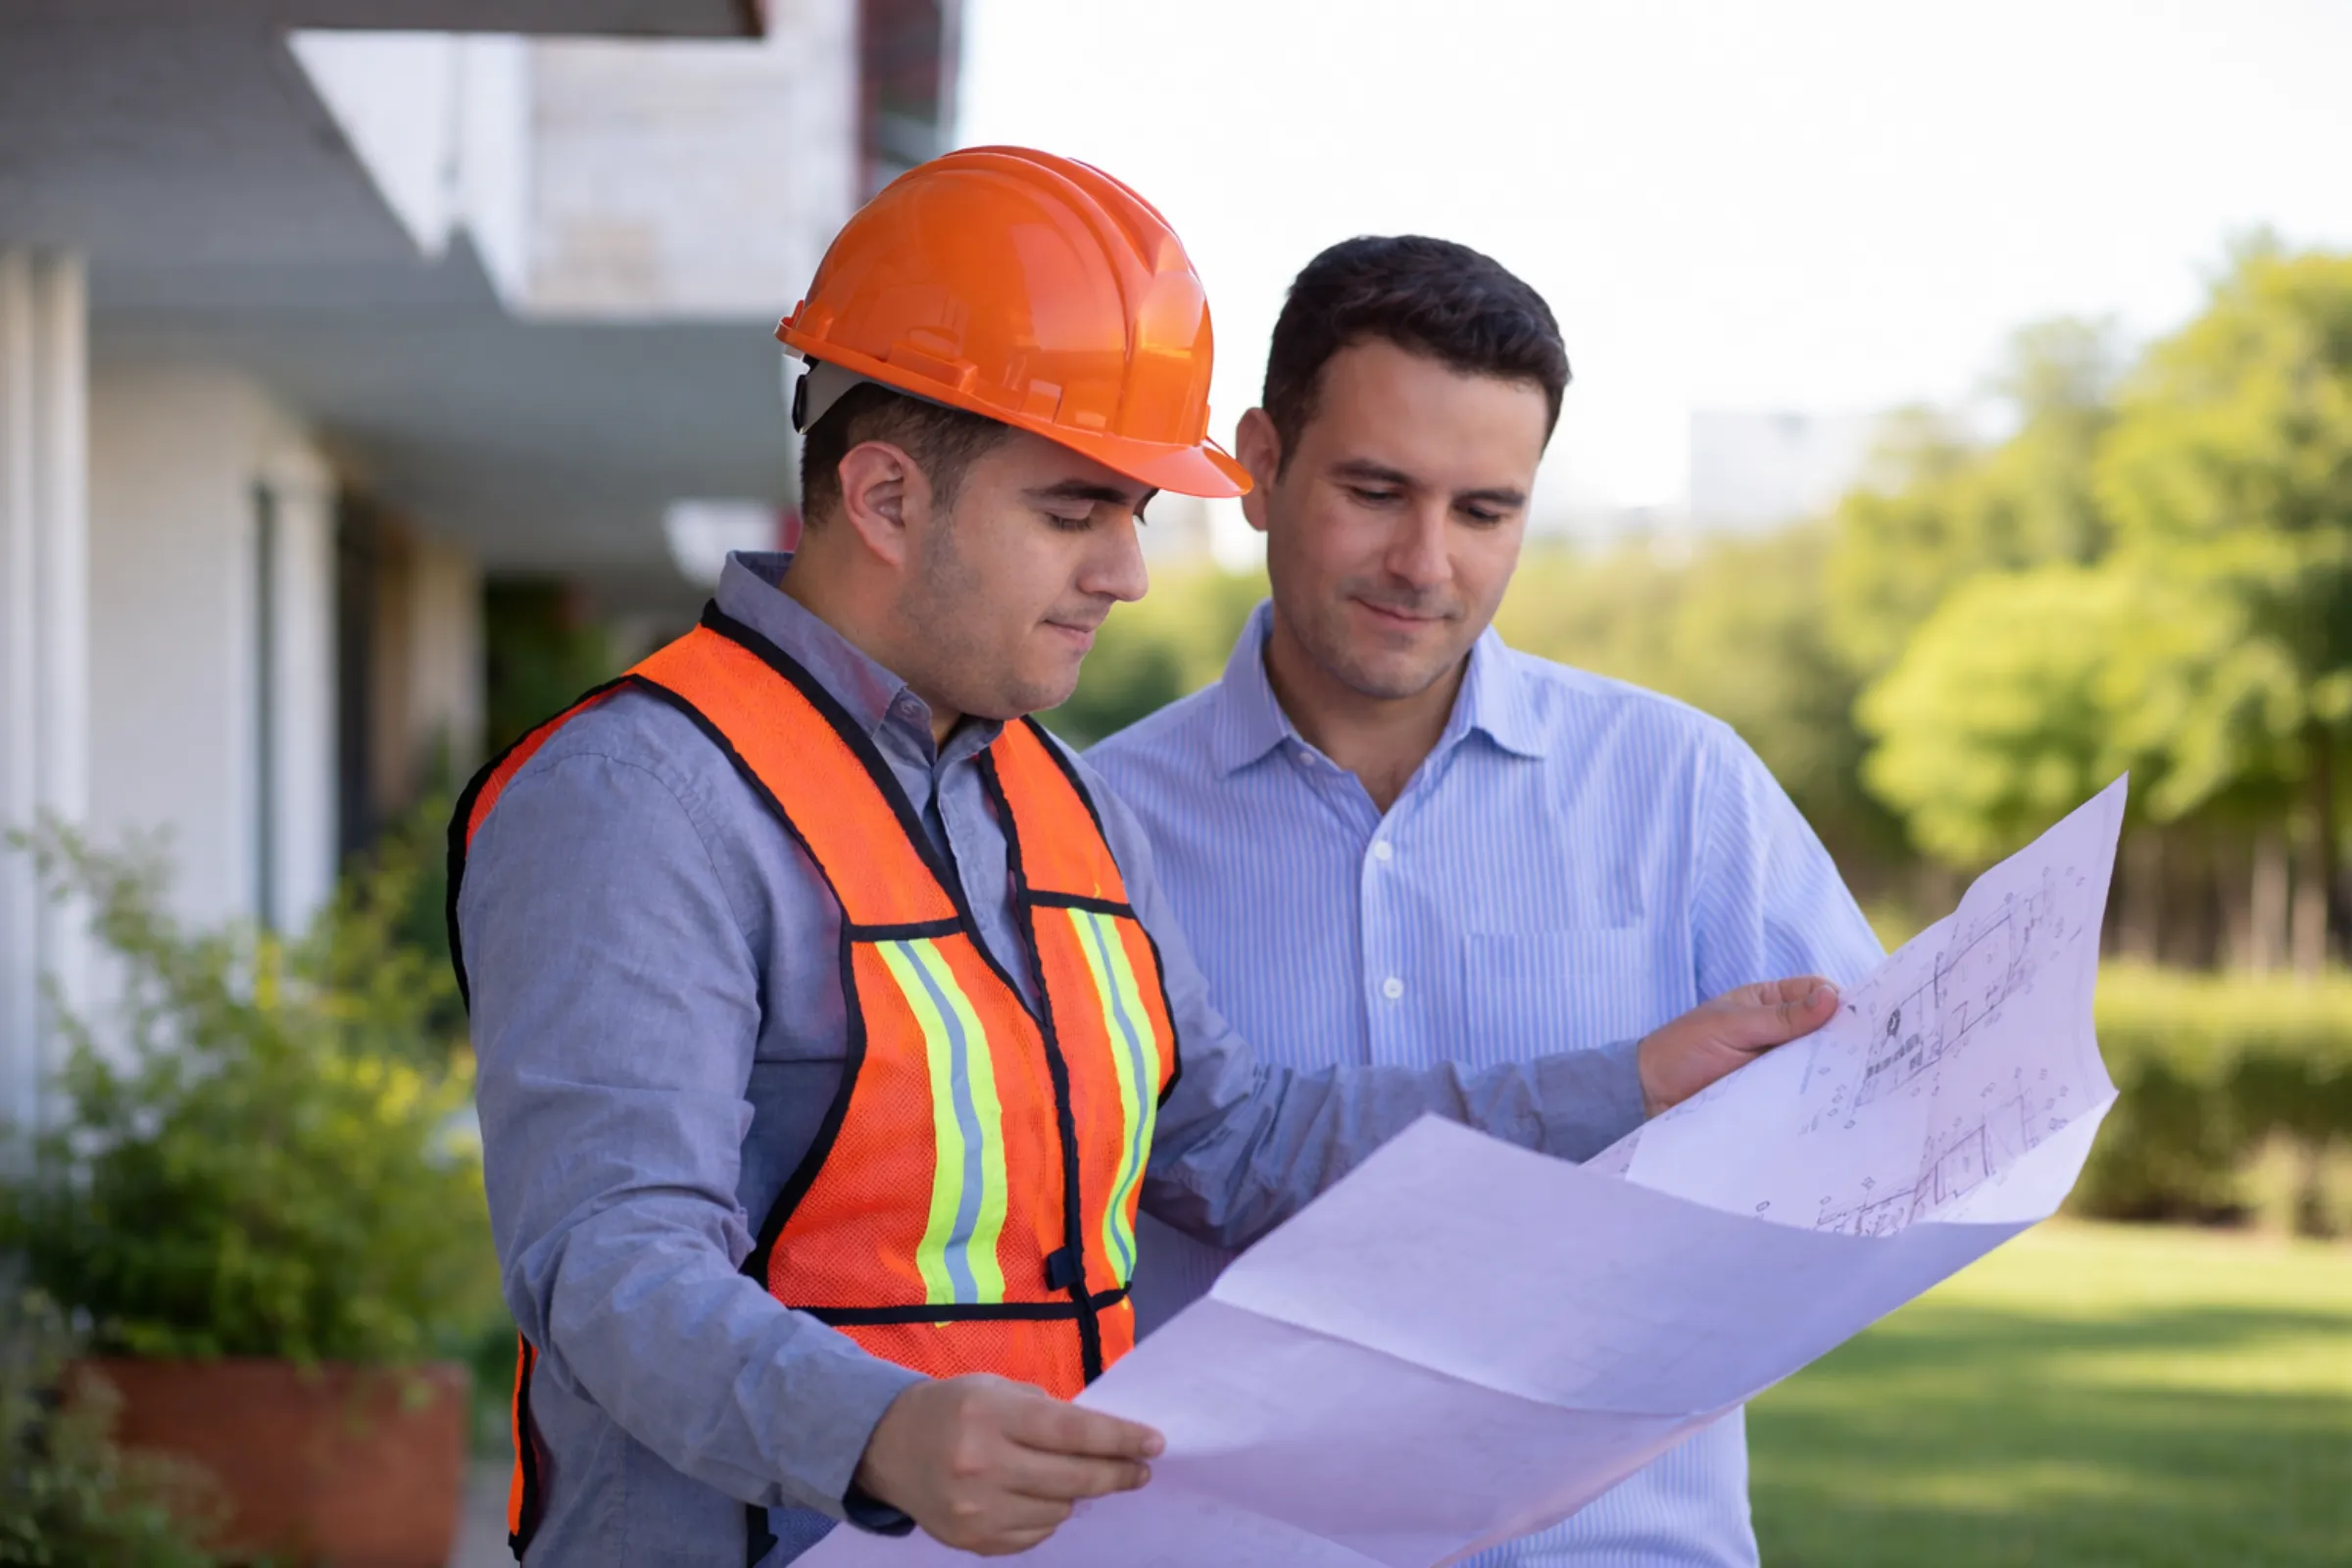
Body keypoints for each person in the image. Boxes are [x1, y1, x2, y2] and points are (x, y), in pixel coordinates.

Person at [451, 152, 1840, 1567]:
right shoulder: (639, 800)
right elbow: (608, 1265)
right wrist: (880, 1433)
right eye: (1074, 511)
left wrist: (1629, 1085)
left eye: (1135, 513)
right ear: (881, 498)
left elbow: (1238, 1144)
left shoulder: (1060, 805)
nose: (1126, 572)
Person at [1087, 235, 1886, 1568]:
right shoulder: (1088, 831)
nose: (1425, 562)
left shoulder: (1683, 787)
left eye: (1484, 510)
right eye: (1377, 489)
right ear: (1260, 467)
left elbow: (1864, 1138)